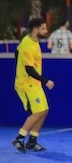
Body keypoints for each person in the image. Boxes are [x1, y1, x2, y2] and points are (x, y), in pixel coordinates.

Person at [12, 18, 55, 153]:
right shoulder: (27, 44)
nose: (46, 31)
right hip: (26, 84)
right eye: (43, 28)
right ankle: (19, 139)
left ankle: (32, 141)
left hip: (34, 83)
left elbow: (16, 53)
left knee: (44, 111)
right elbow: (29, 69)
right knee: (38, 112)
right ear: (36, 29)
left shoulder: (33, 41)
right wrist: (46, 81)